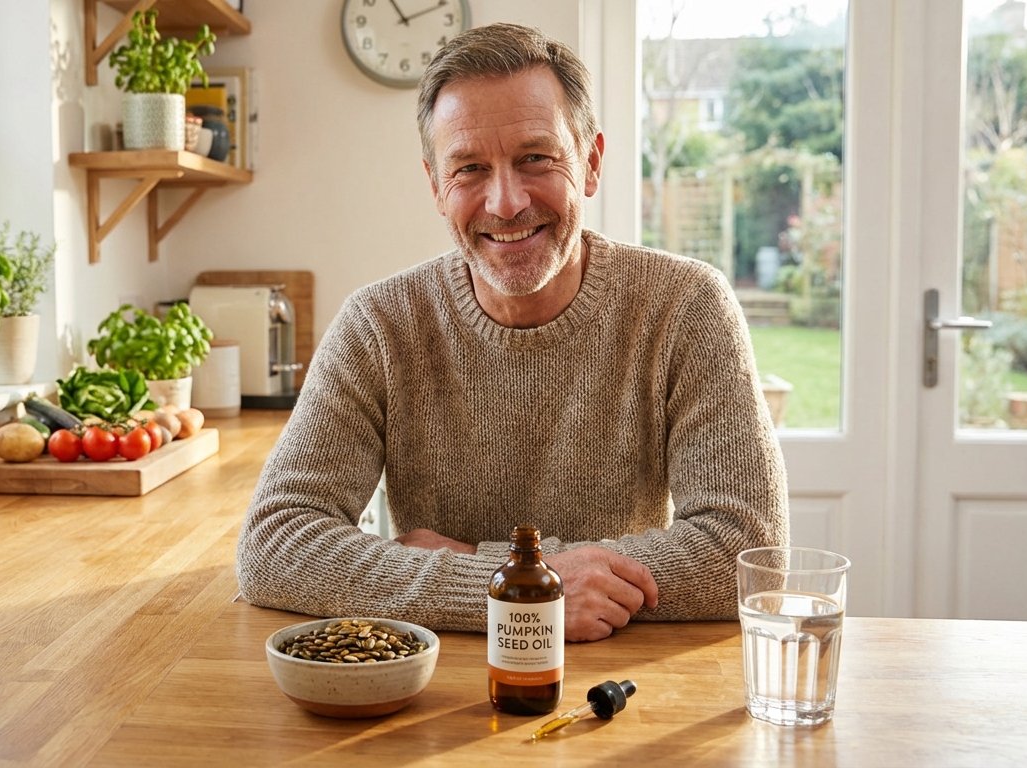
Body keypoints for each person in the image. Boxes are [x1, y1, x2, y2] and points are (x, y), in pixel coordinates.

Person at [236, 23, 787, 641]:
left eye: (536, 158)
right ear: (436, 187)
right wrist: (516, 584)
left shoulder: (686, 306)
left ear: (591, 162)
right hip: (433, 690)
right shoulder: (379, 324)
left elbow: (749, 554)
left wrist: (485, 565)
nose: (504, 202)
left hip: (624, 684)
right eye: (469, 168)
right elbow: (274, 543)